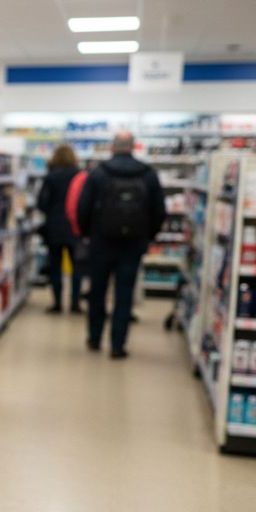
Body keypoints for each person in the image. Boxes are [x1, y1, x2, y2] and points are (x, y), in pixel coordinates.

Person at [77, 131, 166, 358]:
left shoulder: (99, 173)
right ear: (134, 147)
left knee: (97, 291)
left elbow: (83, 207)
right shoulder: (148, 174)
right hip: (133, 244)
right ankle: (118, 345)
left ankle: (95, 338)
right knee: (124, 294)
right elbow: (159, 211)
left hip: (101, 242)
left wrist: (88, 234)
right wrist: (147, 235)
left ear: (112, 147)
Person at [35, 144, 83, 314]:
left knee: (55, 266)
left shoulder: (51, 176)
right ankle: (75, 303)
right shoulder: (80, 176)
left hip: (54, 227)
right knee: (77, 266)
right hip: (75, 227)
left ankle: (57, 303)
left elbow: (42, 202)